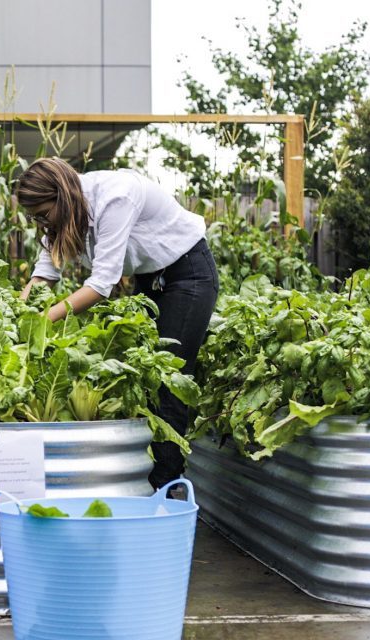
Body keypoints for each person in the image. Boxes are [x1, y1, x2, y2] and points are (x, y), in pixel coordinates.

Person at [15, 157, 218, 491]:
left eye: (43, 214)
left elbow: (100, 285)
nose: (42, 224)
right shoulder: (62, 216)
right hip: (151, 278)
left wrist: (41, 320)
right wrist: (17, 315)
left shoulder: (114, 197)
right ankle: (141, 475)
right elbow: (44, 274)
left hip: (188, 275)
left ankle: (166, 484)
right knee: (142, 375)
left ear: (62, 198)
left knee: (170, 377)